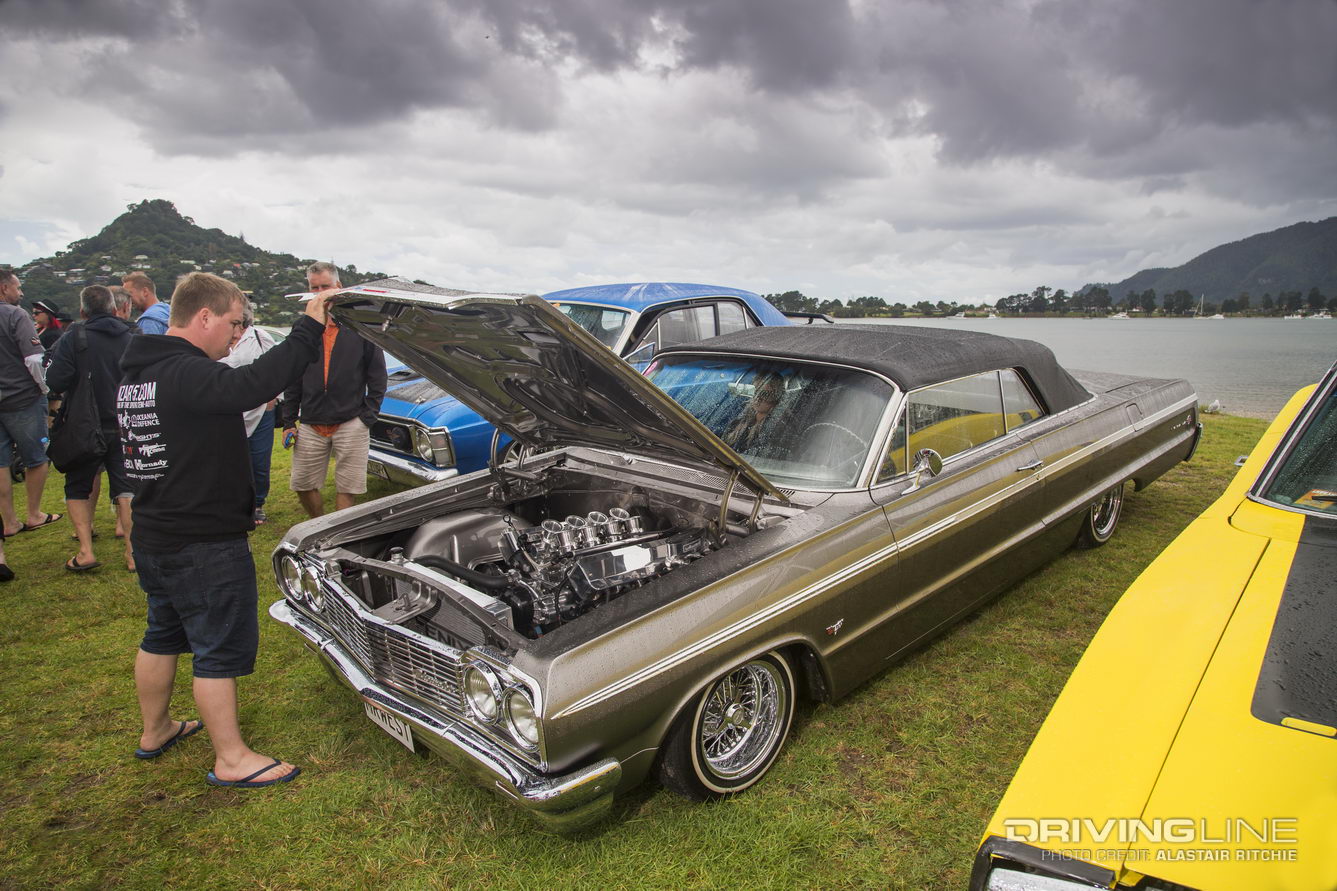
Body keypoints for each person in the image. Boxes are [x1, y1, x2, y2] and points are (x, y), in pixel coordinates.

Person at [119, 271, 325, 788]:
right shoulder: (183, 372)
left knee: (162, 631)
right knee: (217, 647)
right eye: (234, 324)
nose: (237, 336)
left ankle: (156, 729)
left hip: (154, 529)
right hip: (201, 538)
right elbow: (249, 385)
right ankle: (231, 758)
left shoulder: (139, 372)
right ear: (204, 316)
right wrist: (307, 329)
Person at [281, 261, 386, 518]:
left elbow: (377, 376)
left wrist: (367, 417)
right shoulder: (302, 327)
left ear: (338, 287)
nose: (319, 293)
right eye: (314, 288)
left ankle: (339, 534)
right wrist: (288, 420)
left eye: (325, 287)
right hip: (311, 421)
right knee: (303, 484)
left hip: (351, 420)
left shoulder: (360, 326)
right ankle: (320, 526)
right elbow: (293, 375)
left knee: (347, 486)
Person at [45, 285, 136, 572]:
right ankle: (134, 553)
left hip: (85, 423)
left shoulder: (75, 336)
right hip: (126, 422)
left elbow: (56, 380)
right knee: (128, 487)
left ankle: (86, 551)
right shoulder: (132, 334)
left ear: (83, 310)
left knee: (78, 486)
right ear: (114, 307)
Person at [0, 266, 60, 537]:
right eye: (17, 286)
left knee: (0, 463)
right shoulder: (15, 315)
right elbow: (35, 359)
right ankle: (34, 513)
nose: (20, 292)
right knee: (37, 457)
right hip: (22, 397)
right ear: (4, 288)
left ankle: (8, 521)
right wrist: (45, 388)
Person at [220, 304, 278, 524]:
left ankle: (257, 503)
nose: (237, 329)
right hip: (228, 411)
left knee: (259, 460)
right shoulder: (218, 338)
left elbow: (274, 369)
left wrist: (272, 399)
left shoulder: (260, 337)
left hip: (260, 410)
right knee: (231, 460)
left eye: (240, 324)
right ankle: (234, 503)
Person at [723, 372, 785, 452]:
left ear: (776, 397)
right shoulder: (738, 422)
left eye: (764, 394)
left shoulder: (776, 430)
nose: (757, 397)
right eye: (755, 391)